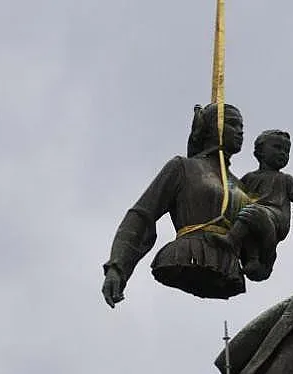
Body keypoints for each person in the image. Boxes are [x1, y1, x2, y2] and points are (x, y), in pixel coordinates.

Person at [101, 102, 252, 304]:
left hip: (227, 268)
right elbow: (141, 215)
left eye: (242, 127)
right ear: (212, 128)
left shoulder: (240, 186)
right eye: (233, 124)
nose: (240, 132)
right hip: (186, 257)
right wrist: (116, 267)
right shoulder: (184, 168)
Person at [219, 130, 293, 281]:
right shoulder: (250, 177)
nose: (283, 153)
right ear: (260, 152)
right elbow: (235, 192)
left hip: (276, 216)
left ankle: (231, 241)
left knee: (252, 213)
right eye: (277, 147)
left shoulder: (286, 179)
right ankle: (252, 259)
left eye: (286, 151)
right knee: (244, 214)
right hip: (253, 212)